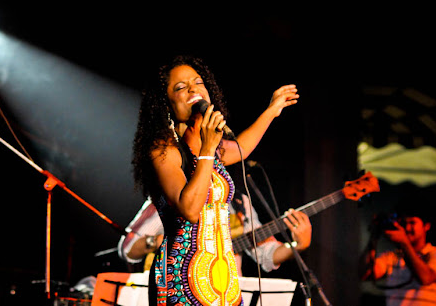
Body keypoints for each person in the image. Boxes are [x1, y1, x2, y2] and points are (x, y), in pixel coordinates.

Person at [131, 55, 299, 306]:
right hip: (182, 277)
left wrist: (271, 111)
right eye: (180, 87)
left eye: (198, 82)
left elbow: (242, 146)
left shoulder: (214, 146)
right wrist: (207, 149)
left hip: (222, 276)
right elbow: (189, 209)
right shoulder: (164, 150)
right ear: (166, 104)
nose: (192, 89)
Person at [117, 186, 312, 275]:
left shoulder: (239, 203)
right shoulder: (169, 197)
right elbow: (128, 248)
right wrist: (160, 242)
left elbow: (266, 254)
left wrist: (298, 245)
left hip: (224, 295)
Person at [358, 210, 436, 306]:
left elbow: (426, 278)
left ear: (426, 226)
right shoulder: (392, 256)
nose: (407, 228)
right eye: (404, 223)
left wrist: (404, 243)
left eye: (412, 223)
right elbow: (365, 274)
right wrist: (373, 237)